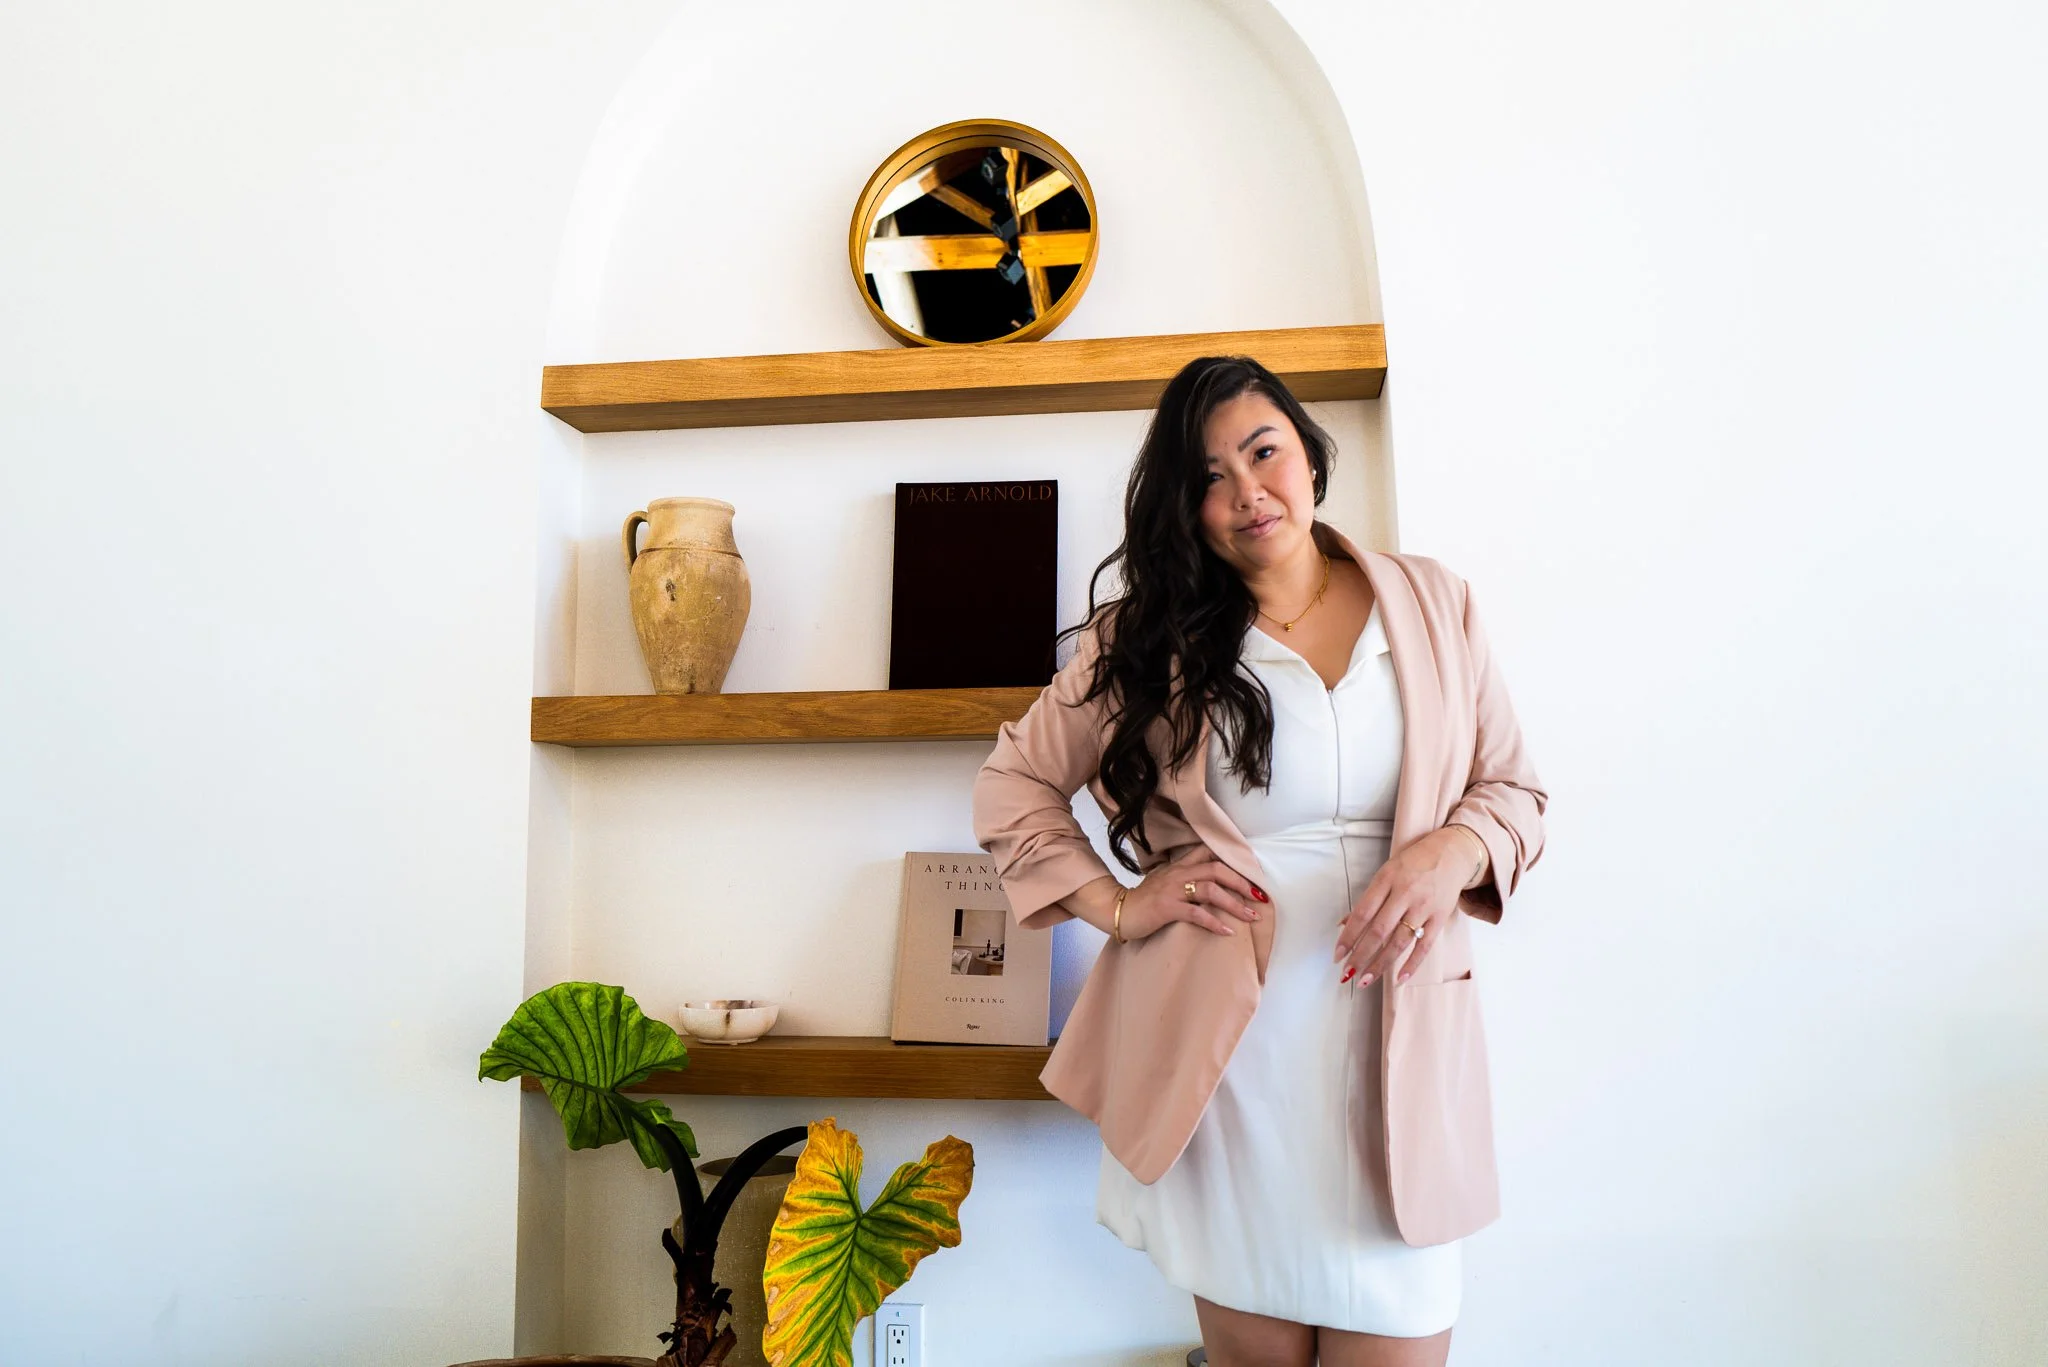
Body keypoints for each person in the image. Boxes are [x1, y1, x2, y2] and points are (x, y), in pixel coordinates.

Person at [971, 355, 1547, 1367]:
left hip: (1398, 1055)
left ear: (1308, 454)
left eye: (1261, 450)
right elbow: (1010, 785)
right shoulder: (1145, 642)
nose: (1245, 491)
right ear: (1182, 509)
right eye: (1206, 477)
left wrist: (1447, 852)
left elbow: (1514, 794)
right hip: (1232, 1072)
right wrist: (1116, 903)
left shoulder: (1431, 603)